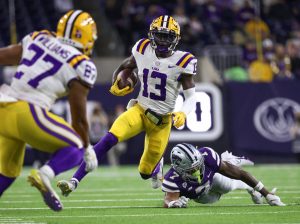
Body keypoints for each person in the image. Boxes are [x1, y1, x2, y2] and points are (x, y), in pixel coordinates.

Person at [57, 15, 197, 196]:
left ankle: (156, 166)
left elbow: (191, 96)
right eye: (159, 35)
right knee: (108, 139)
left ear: (176, 39)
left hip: (162, 123)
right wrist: (117, 80)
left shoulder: (183, 61)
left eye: (167, 36)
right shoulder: (142, 48)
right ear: (151, 35)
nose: (162, 40)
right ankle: (74, 181)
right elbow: (125, 66)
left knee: (145, 173)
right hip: (140, 110)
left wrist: (183, 113)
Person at [0, 10, 98, 211]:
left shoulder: (39, 37)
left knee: (7, 172)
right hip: (28, 113)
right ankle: (45, 173)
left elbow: (4, 56)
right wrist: (87, 149)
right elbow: (78, 118)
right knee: (76, 144)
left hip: (4, 108)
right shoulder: (82, 64)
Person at [163, 143, 285, 208]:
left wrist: (267, 194)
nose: (198, 170)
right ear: (179, 169)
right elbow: (168, 199)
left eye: (198, 165)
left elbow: (240, 174)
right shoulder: (172, 178)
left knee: (228, 185)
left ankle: (249, 185)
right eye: (192, 169)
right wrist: (174, 203)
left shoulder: (207, 156)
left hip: (212, 180)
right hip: (200, 197)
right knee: (213, 199)